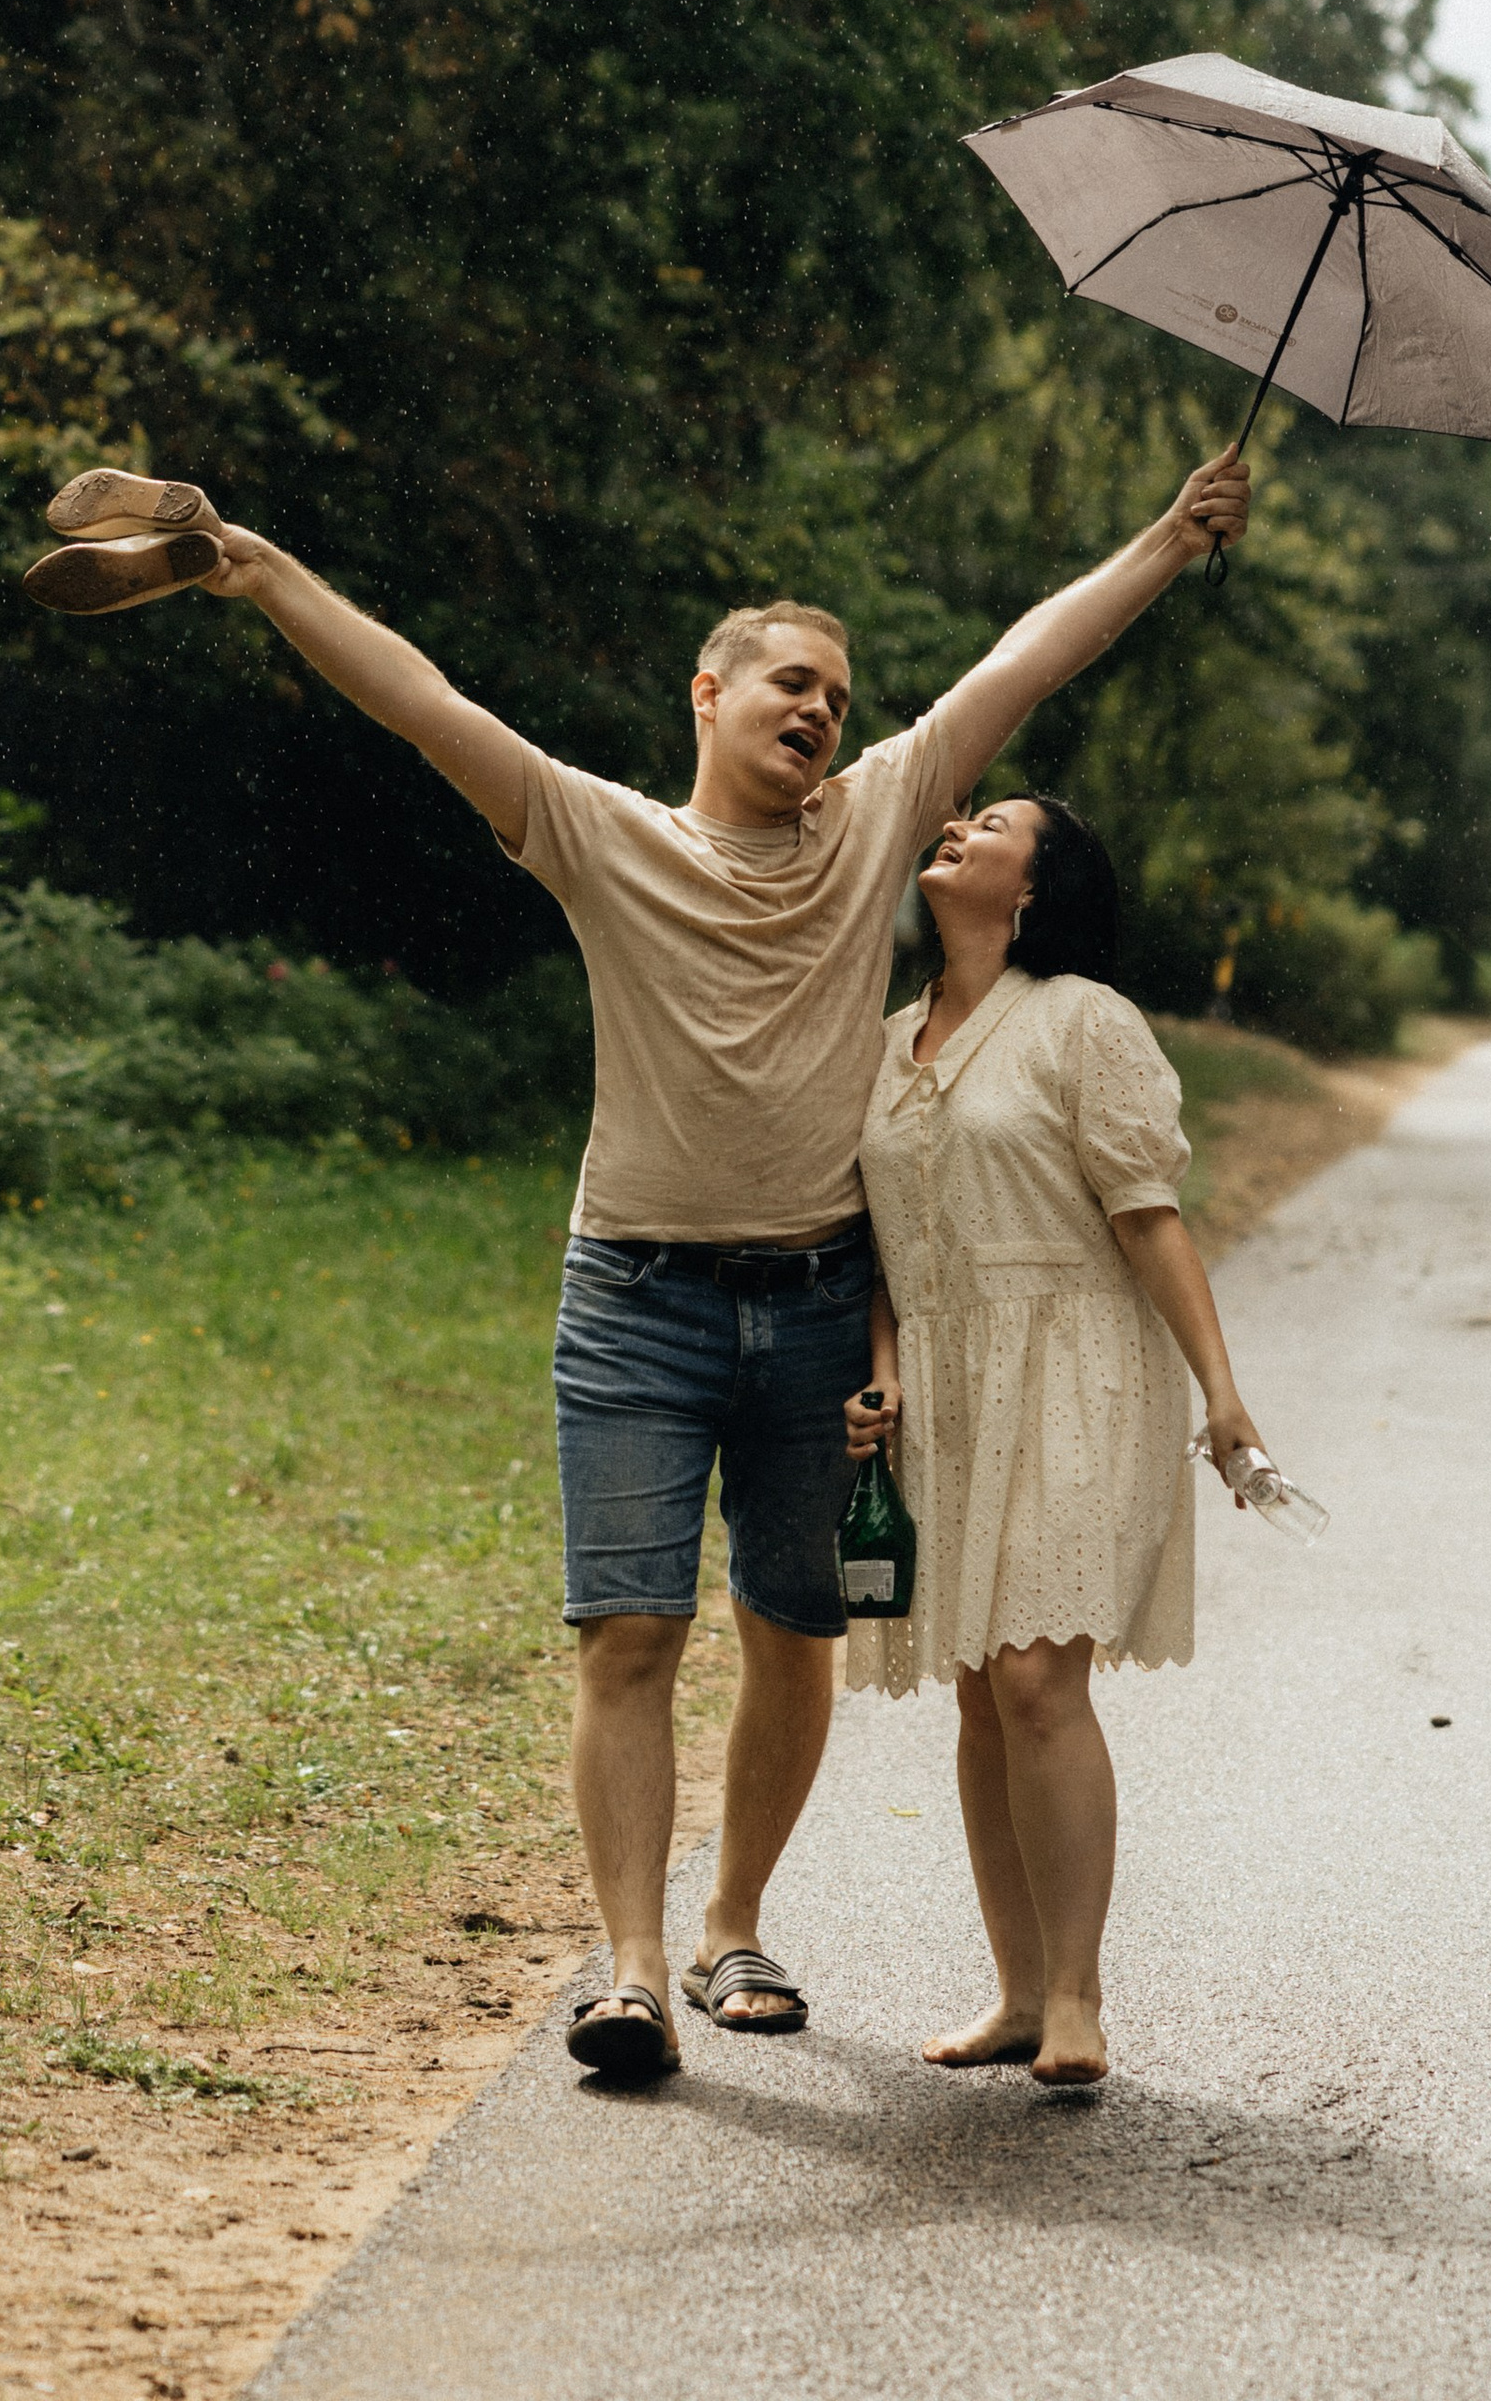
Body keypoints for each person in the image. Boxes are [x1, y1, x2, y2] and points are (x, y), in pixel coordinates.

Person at [189, 453, 1251, 2081]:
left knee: (791, 1633)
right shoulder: (594, 830)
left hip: (818, 1298)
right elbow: (423, 703)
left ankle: (729, 1917)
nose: (823, 708)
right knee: (627, 1634)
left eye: (839, 691)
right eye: (791, 680)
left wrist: (1172, 542)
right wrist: (268, 577)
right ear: (710, 691)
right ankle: (629, 1969)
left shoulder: (885, 819)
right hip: (634, 1295)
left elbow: (1029, 660)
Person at [843, 789, 1269, 2090]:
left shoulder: (1088, 1022)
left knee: (1034, 1679)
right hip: (944, 1392)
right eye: (961, 818)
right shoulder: (885, 1037)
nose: (961, 825)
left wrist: (1224, 1394)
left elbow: (1148, 1214)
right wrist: (879, 1372)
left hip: (1076, 1371)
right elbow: (875, 1234)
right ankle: (1018, 1993)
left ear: (1039, 884)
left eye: (999, 823)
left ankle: (1078, 1995)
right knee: (978, 1684)